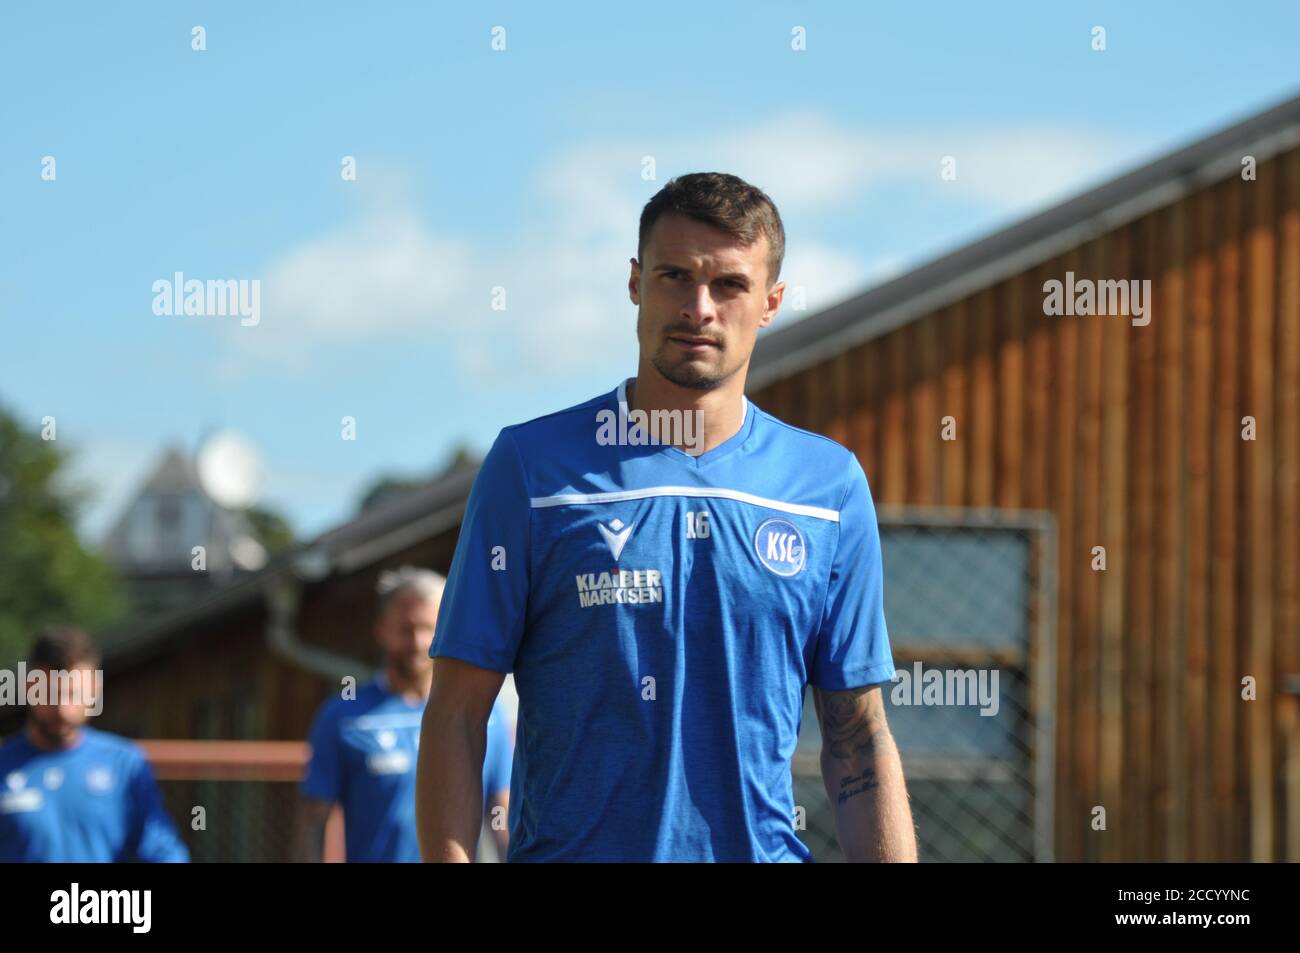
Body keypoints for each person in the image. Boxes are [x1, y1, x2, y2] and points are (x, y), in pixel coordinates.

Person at [417, 171, 917, 862]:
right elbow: (456, 713)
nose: (699, 307)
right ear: (635, 283)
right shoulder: (532, 469)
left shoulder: (827, 488)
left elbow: (858, 735)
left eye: (730, 285)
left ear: (771, 302)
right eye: (674, 276)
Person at [296, 567, 512, 862]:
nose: (418, 642)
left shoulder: (486, 715)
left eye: (428, 628)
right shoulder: (342, 716)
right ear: (382, 631)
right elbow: (313, 822)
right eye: (405, 629)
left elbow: (503, 815)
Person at [0, 626, 189, 862]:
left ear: (94, 691)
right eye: (50, 694)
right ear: (29, 687)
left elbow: (163, 851)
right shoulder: (3, 766)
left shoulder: (124, 765)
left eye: (74, 694)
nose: (63, 710)